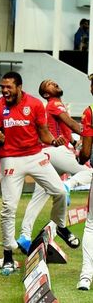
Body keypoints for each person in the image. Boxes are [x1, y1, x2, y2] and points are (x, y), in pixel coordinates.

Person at [0, 71, 76, 272]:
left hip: (35, 155)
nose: (5, 90)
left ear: (19, 87)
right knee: (9, 207)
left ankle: (60, 226)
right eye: (3, 87)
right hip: (10, 158)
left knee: (60, 191)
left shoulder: (35, 104)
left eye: (9, 87)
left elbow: (43, 133)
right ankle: (8, 253)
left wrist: (53, 141)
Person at [16, 79, 91, 253]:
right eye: (49, 84)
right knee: (90, 173)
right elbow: (72, 124)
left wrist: (74, 140)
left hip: (45, 155)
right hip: (56, 152)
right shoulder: (54, 103)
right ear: (46, 94)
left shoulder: (54, 105)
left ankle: (25, 236)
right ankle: (67, 185)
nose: (54, 83)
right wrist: (88, 134)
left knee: (38, 196)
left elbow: (65, 130)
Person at [77, 74, 93, 290]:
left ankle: (86, 277)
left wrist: (80, 156)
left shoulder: (90, 111)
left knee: (91, 226)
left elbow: (86, 154)